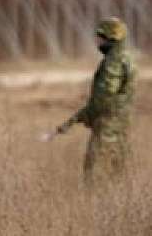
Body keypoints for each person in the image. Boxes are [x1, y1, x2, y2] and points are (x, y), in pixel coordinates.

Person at [54, 18, 135, 182]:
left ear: (111, 38)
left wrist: (84, 115)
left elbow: (104, 96)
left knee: (95, 171)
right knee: (117, 172)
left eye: (101, 37)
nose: (98, 41)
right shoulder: (126, 58)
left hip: (108, 124)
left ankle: (94, 202)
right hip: (121, 123)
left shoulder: (114, 62)